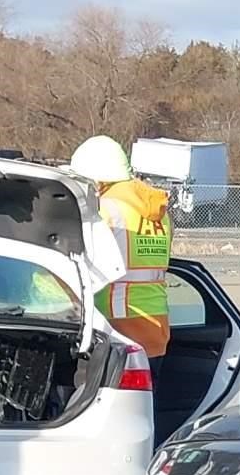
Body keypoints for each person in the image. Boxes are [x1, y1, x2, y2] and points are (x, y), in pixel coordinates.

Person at [69, 135, 173, 360]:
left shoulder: (104, 210)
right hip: (156, 327)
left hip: (118, 329)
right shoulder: (160, 215)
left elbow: (80, 266)